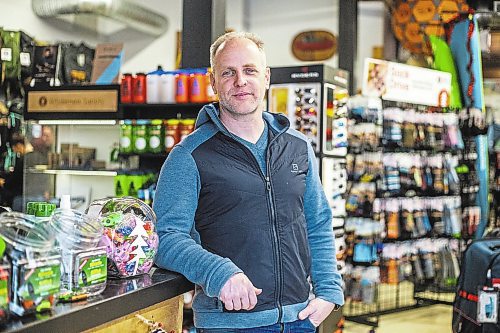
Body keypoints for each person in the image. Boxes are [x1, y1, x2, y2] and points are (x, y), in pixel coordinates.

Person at [153, 31, 344, 332]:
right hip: (229, 325)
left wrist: (329, 289)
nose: (240, 81)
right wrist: (217, 272)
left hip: (301, 319)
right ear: (213, 82)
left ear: (266, 77)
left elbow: (317, 222)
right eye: (228, 72)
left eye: (250, 70)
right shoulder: (188, 156)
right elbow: (165, 237)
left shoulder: (298, 146)